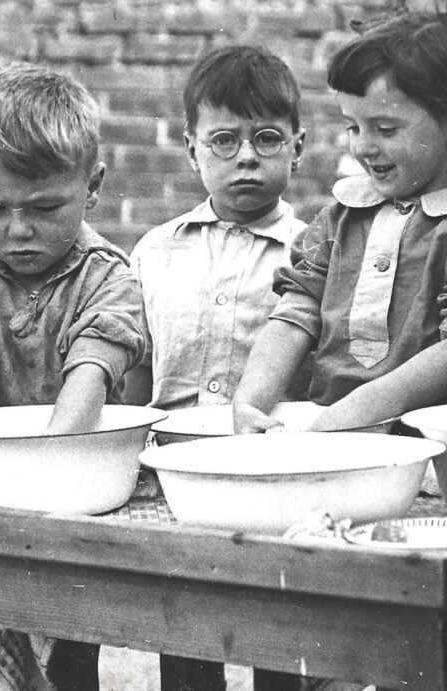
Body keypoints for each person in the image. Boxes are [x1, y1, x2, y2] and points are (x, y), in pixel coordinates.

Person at [0, 61, 146, 691]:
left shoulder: (108, 280)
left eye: (44, 207)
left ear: (92, 186)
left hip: (71, 502)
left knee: (69, 657)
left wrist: (43, 486)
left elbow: (90, 377)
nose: (17, 229)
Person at [231, 10, 447, 436]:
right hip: (326, 429)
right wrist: (250, 403)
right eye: (354, 126)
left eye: (386, 128)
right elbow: (295, 312)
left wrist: (352, 415)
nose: (363, 147)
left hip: (430, 443)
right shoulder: (342, 215)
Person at [123, 44, 306, 691]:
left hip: (271, 477)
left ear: (298, 146)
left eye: (266, 139)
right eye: (225, 140)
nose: (247, 157)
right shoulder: (154, 251)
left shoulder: (313, 252)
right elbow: (135, 369)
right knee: (188, 628)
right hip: (176, 474)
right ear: (191, 149)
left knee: (279, 633)